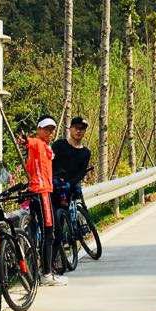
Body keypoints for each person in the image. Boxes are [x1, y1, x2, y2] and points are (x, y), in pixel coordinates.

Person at [24, 115, 62, 286]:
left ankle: (41, 269)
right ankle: (46, 273)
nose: (49, 132)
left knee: (41, 232)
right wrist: (25, 140)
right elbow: (29, 142)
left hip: (39, 192)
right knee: (49, 232)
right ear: (38, 129)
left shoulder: (46, 146)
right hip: (41, 192)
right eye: (46, 128)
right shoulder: (37, 143)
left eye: (52, 129)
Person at [52, 115, 93, 203]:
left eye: (81, 129)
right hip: (56, 186)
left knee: (81, 212)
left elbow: (81, 173)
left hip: (73, 187)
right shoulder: (59, 145)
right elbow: (49, 163)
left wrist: (70, 184)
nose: (78, 131)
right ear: (70, 129)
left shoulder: (86, 152)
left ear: (84, 131)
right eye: (76, 128)